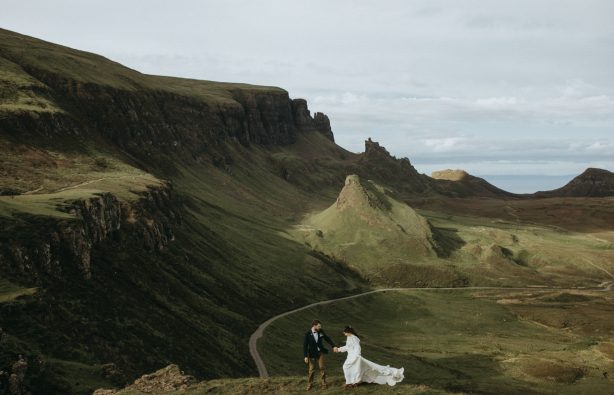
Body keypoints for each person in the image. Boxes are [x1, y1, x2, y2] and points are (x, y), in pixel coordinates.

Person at [335, 325, 404, 388]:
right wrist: (339, 349)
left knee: (350, 368)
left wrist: (357, 355)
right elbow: (348, 347)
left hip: (355, 357)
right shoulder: (349, 337)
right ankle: (351, 382)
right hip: (351, 356)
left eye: (345, 332)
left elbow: (357, 347)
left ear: (349, 332)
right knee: (351, 368)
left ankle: (352, 382)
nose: (344, 333)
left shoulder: (354, 338)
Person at [303, 319, 338, 390]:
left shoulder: (321, 332)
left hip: (320, 353)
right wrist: (305, 356)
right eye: (319, 326)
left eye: (320, 326)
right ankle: (310, 384)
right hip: (312, 354)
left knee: (322, 368)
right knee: (311, 369)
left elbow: (327, 339)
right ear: (314, 326)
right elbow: (305, 346)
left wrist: (333, 346)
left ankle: (324, 383)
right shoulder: (307, 334)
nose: (320, 327)